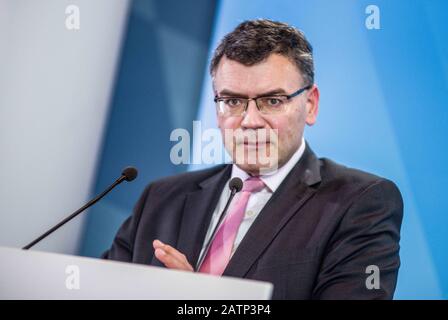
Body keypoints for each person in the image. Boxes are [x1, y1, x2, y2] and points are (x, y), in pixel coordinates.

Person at [102, 19, 403, 299]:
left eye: (272, 101)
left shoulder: (361, 202)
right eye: (233, 101)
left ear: (310, 105)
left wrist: (201, 302)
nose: (250, 121)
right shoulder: (162, 198)